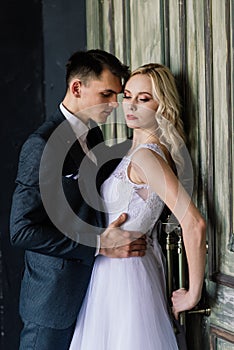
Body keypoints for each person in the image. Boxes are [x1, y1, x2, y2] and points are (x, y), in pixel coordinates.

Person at [9, 49, 147, 350]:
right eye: (107, 94)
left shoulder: (95, 136)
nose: (115, 104)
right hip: (53, 302)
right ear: (76, 88)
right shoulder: (41, 145)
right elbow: (21, 230)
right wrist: (99, 244)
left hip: (96, 296)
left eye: (117, 95)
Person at [68, 63, 207, 350]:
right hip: (112, 272)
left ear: (162, 106)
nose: (130, 105)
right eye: (128, 95)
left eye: (143, 99)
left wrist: (193, 293)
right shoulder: (134, 151)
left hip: (126, 277)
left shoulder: (147, 157)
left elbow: (194, 223)